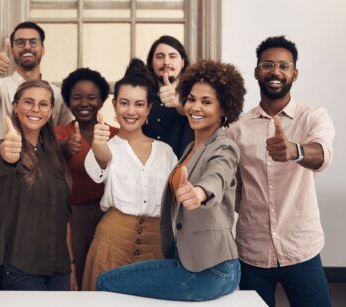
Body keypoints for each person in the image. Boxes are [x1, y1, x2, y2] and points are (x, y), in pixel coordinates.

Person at [96, 60, 245, 301]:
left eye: (206, 102)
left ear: (225, 108)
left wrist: (200, 192)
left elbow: (218, 175)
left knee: (105, 282)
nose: (196, 107)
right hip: (196, 262)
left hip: (209, 269)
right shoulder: (191, 147)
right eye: (192, 99)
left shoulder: (223, 145)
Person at [227, 36, 335, 307]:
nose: (275, 71)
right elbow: (235, 189)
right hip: (252, 252)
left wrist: (294, 151)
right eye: (267, 65)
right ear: (256, 72)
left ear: (294, 74)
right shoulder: (237, 129)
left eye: (284, 66)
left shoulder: (313, 117)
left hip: (302, 249)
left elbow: (322, 154)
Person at [81, 59, 178, 291]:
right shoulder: (106, 147)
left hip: (156, 245)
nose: (131, 111)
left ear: (149, 108)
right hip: (111, 244)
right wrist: (99, 147)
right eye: (124, 103)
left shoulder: (165, 152)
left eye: (139, 104)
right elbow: (99, 164)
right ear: (114, 106)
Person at [0, 79, 77, 291]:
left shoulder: (53, 155)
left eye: (43, 104)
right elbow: (2, 159)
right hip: (21, 268)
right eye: (28, 102)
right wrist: (7, 152)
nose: (36, 109)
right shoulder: (2, 148)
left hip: (59, 267)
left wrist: (71, 265)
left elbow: (64, 218)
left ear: (50, 111)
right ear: (16, 107)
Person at [55, 68, 119, 289]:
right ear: (68, 101)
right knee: (76, 277)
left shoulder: (116, 134)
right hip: (74, 218)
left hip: (111, 216)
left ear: (102, 100)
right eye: (77, 97)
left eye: (92, 97)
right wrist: (63, 148)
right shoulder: (58, 133)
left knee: (104, 278)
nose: (84, 103)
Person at [0, 21, 73, 140]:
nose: (27, 47)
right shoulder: (1, 87)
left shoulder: (57, 94)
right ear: (12, 51)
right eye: (20, 42)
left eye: (33, 42)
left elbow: (66, 133)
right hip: (3, 157)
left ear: (43, 49)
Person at [143, 35, 194, 158]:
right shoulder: (143, 97)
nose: (166, 62)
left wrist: (181, 103)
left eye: (172, 56)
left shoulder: (194, 95)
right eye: (160, 57)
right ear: (151, 63)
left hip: (183, 171)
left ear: (182, 62)